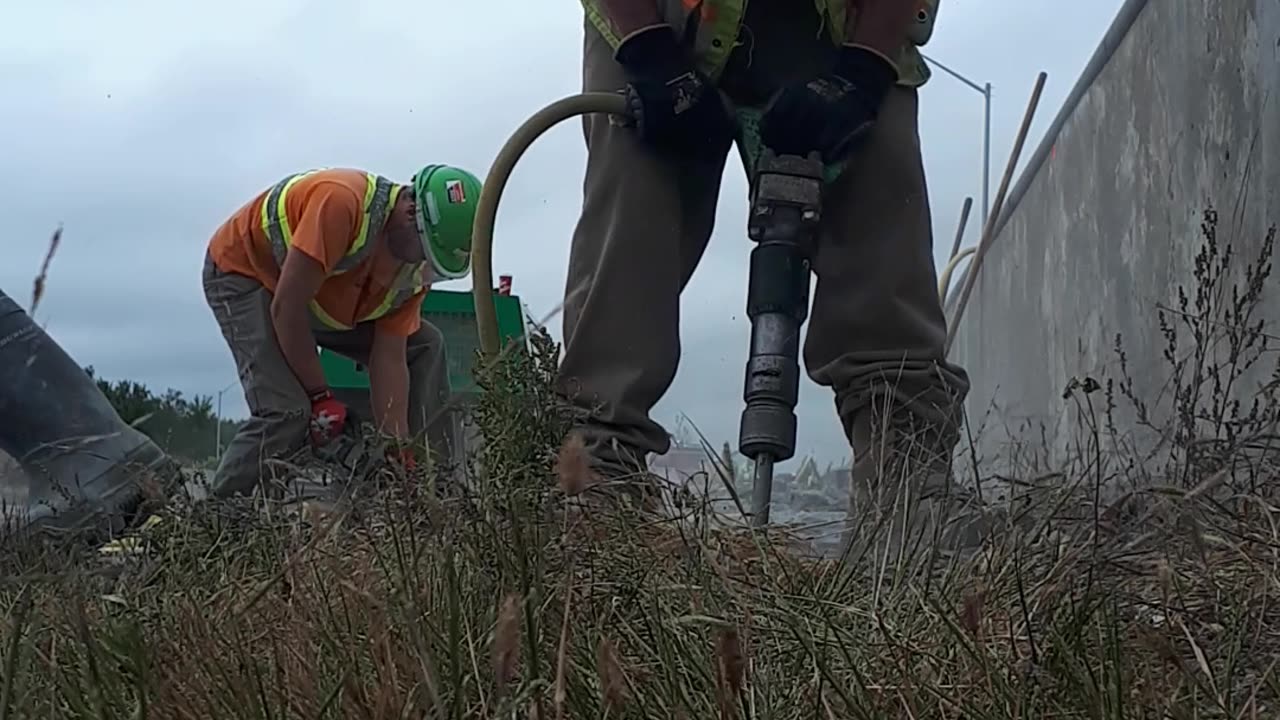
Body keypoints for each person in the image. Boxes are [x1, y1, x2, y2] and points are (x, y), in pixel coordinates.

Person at [558, 0, 978, 545]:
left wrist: (866, 66)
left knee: (877, 214)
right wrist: (645, 49)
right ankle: (594, 479)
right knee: (634, 226)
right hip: (659, 14)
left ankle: (908, 488)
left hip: (838, 20)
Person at [202, 165, 481, 499]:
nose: (424, 269)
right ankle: (215, 522)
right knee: (287, 411)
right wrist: (320, 397)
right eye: (427, 255)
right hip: (248, 276)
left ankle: (428, 488)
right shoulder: (342, 202)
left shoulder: (414, 272)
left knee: (425, 345)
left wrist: (396, 445)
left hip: (313, 296)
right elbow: (286, 309)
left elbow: (390, 357)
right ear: (409, 214)